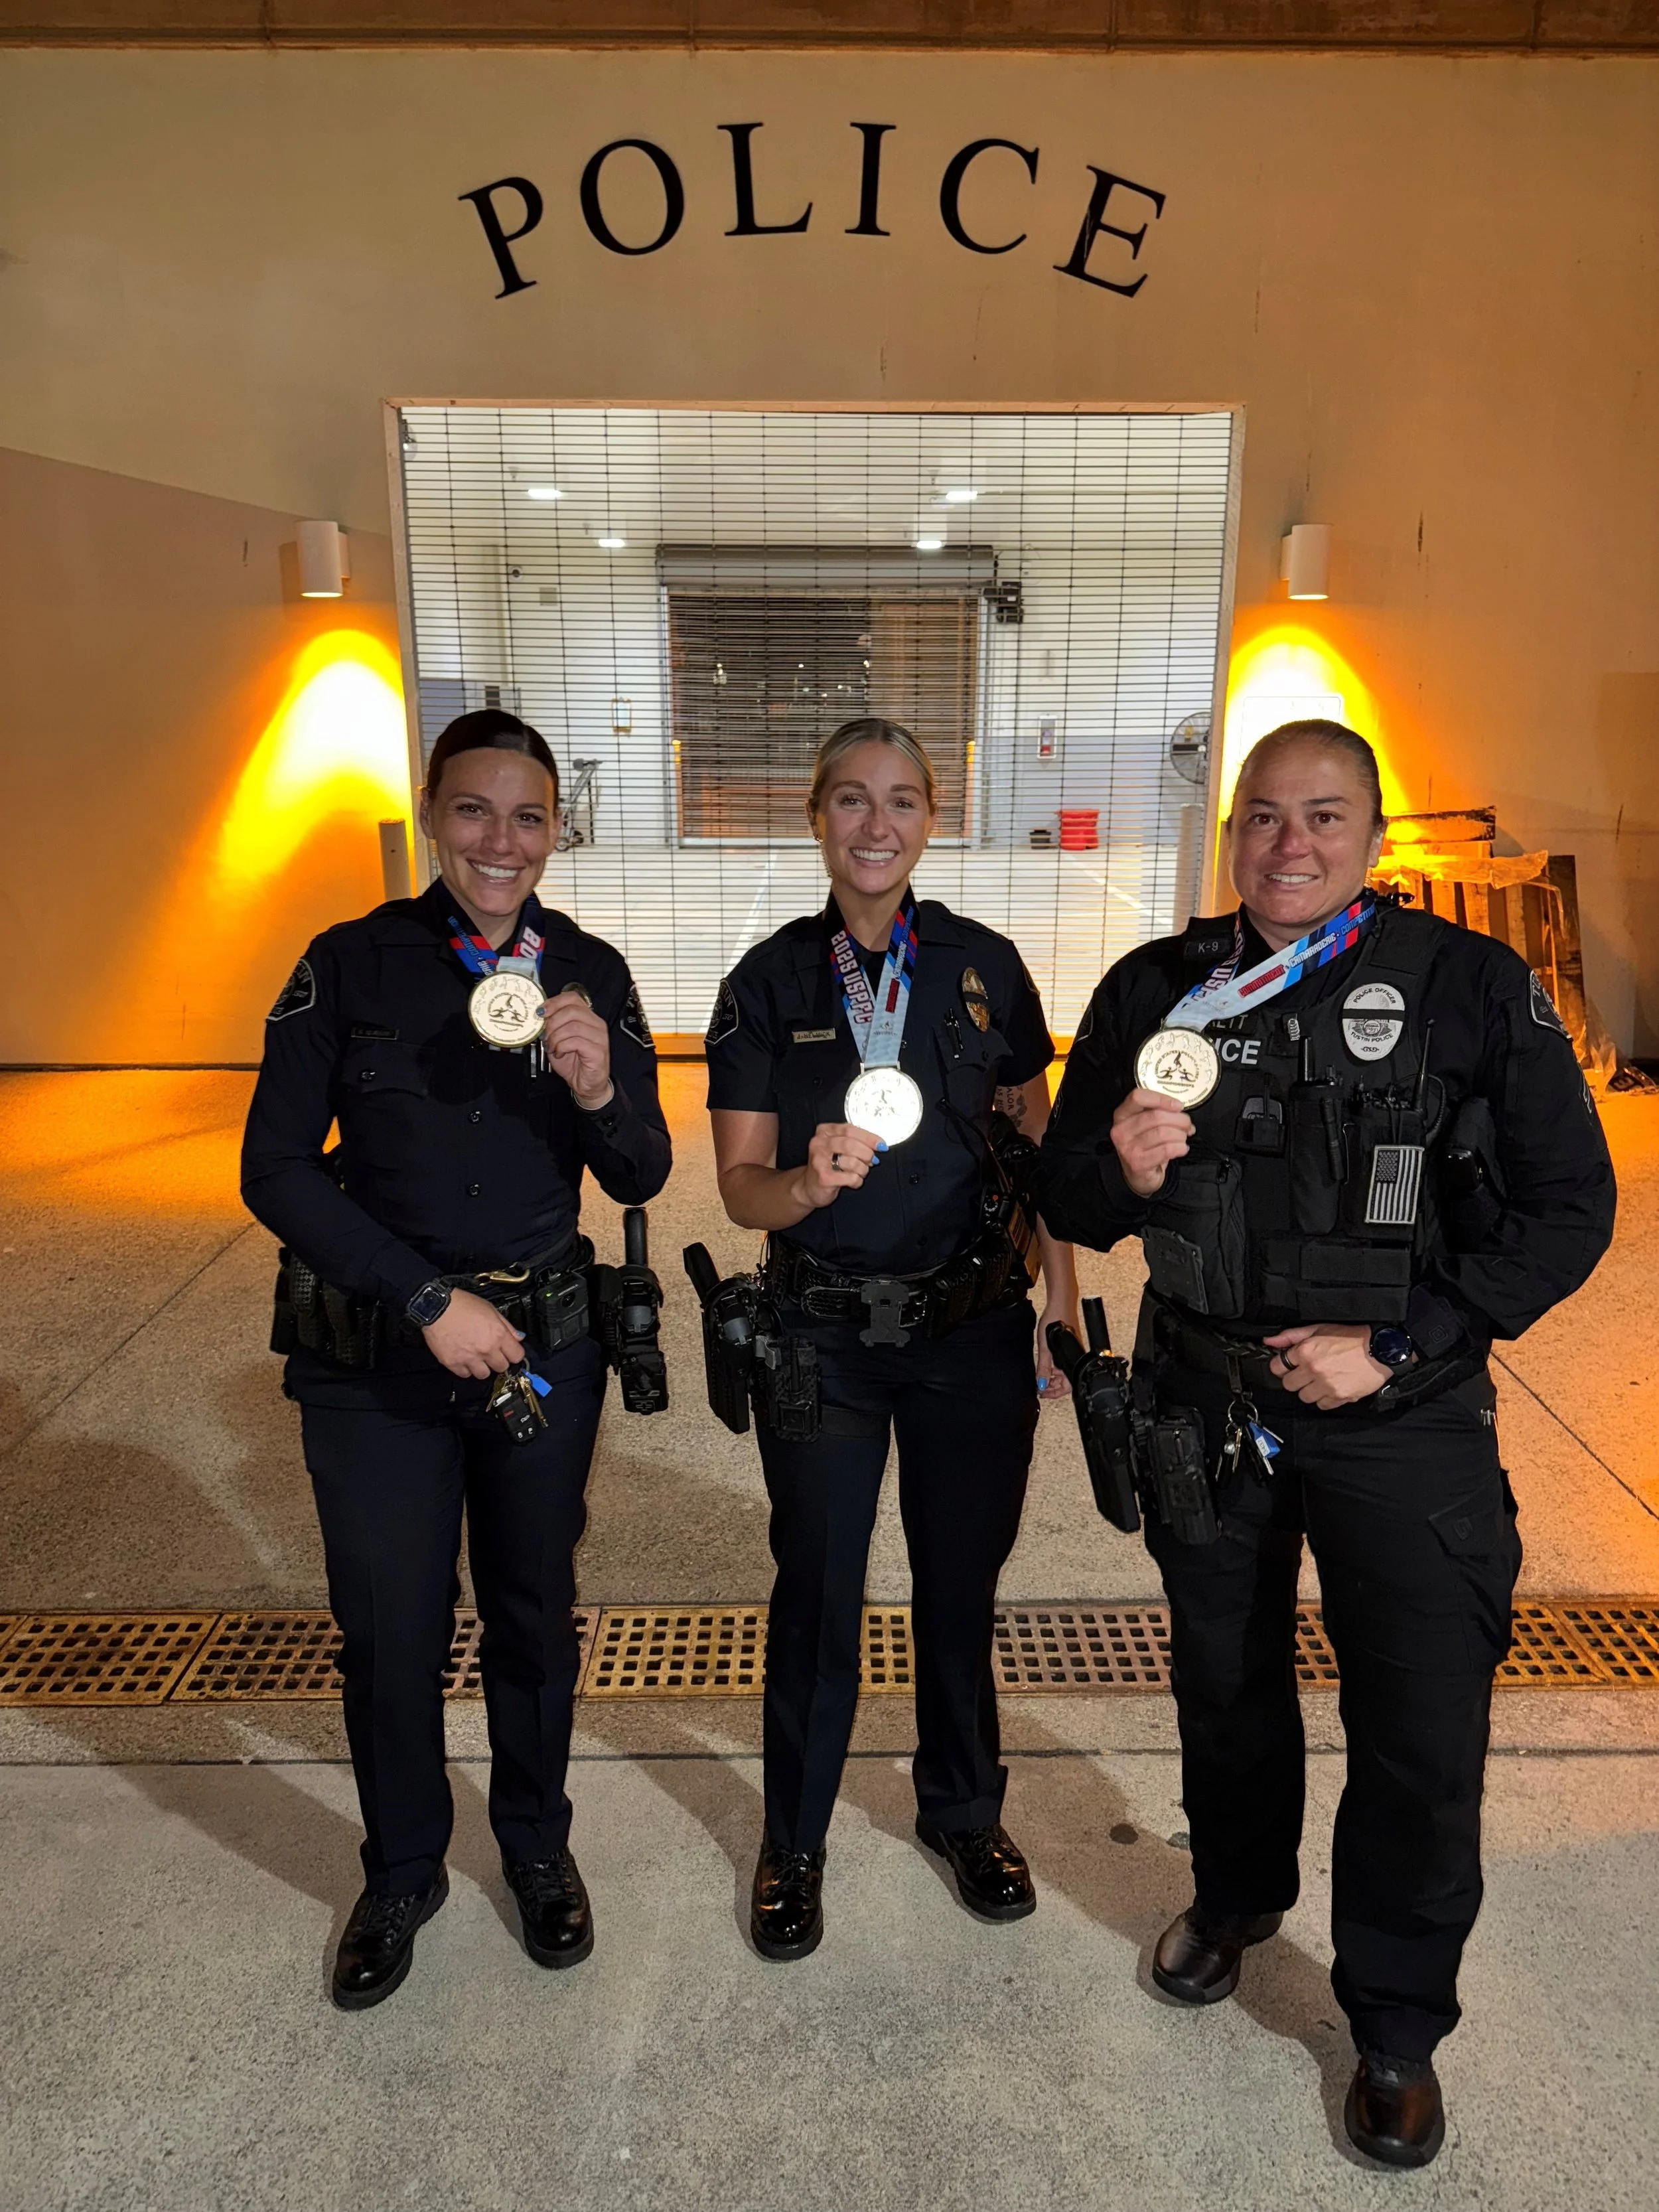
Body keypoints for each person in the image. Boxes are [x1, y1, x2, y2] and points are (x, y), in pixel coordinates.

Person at [1033, 719, 1615, 2166]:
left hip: (1399, 1415)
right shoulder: (1157, 988)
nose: (1288, 844)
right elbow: (1062, 1193)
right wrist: (1116, 1170)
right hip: (1202, 1397)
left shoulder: (1467, 985)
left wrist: (1400, 1340)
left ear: (1371, 834)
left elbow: (1568, 1210)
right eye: (1263, 817)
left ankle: (1397, 2026)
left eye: (1323, 816)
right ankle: (1235, 1902)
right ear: (1231, 832)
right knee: (1224, 1685)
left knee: (1419, 1721)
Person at [241, 709, 670, 2009]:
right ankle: (402, 1872)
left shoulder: (588, 969)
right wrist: (423, 1295)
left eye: (529, 816)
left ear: (555, 831)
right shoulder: (348, 965)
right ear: (432, 817)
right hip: (381, 1362)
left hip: (540, 1354)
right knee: (390, 1627)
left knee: (533, 1614)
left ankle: (536, 1848)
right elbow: (272, 1168)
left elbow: (641, 1171)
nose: (501, 840)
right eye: (474, 810)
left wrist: (599, 1091)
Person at [702, 715, 1080, 1961]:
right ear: (817, 817)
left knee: (959, 1587)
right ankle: (795, 1840)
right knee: (817, 1593)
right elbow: (740, 1189)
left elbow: (1039, 1153)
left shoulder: (984, 967)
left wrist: (1060, 1296)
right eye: (853, 800)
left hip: (972, 1333)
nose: (878, 825)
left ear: (932, 817)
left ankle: (963, 1813)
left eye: (903, 800)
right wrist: (804, 1183)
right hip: (823, 1336)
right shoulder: (768, 983)